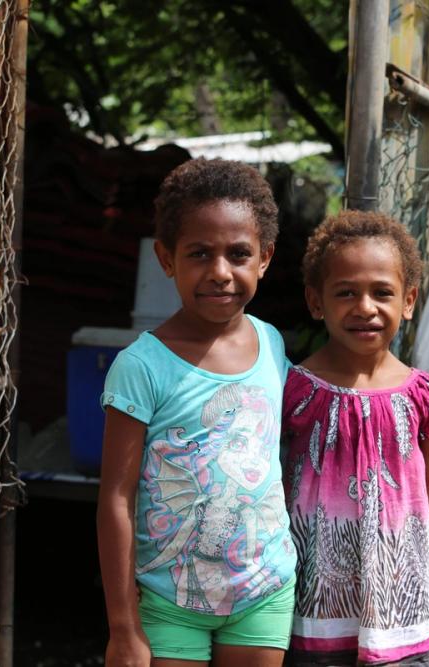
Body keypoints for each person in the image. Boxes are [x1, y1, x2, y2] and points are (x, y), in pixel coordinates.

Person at [97, 158, 296, 667]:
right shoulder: (142, 366)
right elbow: (116, 498)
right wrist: (124, 627)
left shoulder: (272, 344)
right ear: (167, 259)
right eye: (200, 253)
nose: (220, 272)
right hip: (170, 601)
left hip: (264, 591)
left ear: (265, 258)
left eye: (239, 254)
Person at [283, 211, 429, 667]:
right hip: (313, 612)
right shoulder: (292, 391)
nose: (364, 307)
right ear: (315, 301)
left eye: (382, 292)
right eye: (346, 292)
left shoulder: (423, 395)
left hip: (408, 609)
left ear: (408, 301)